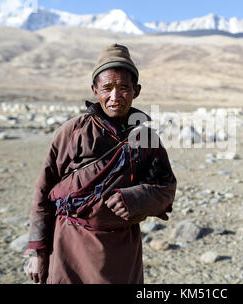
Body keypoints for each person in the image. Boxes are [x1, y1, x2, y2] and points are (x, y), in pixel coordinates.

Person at [24, 43, 177, 284]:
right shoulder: (72, 132)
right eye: (107, 88)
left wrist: (137, 198)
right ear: (95, 90)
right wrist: (38, 251)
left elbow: (166, 190)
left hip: (122, 251)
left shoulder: (147, 140)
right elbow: (43, 190)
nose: (115, 97)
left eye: (124, 88)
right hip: (70, 246)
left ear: (136, 91)